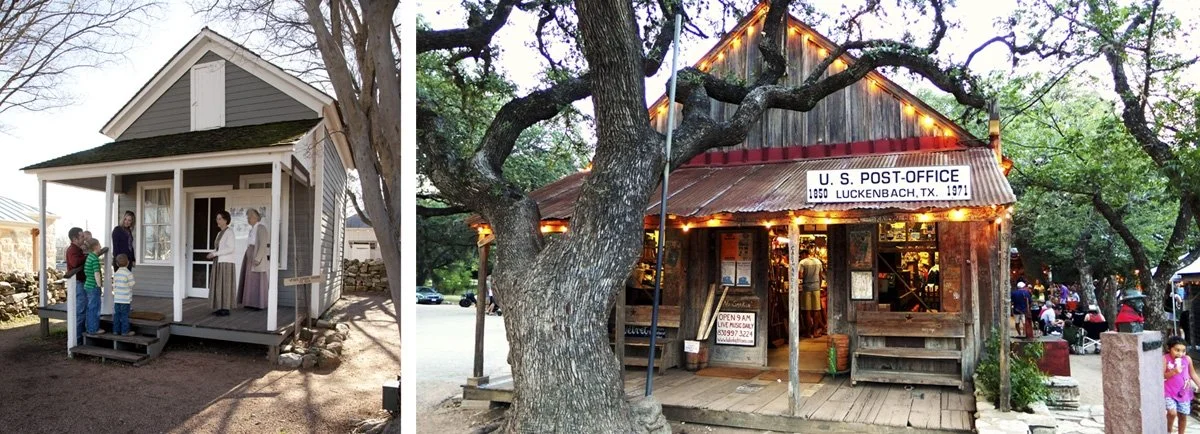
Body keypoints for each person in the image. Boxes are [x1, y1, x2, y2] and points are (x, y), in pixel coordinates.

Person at [1165, 336, 1200, 434]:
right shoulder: (1165, 359)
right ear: (1169, 349)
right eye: (1177, 350)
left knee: (1183, 415)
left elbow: (1192, 374)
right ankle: (1168, 430)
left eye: (1183, 350)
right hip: (1169, 391)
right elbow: (1162, 375)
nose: (1180, 354)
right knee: (1172, 413)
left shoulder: (1187, 359)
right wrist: (1174, 372)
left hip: (1184, 392)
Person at [206, 211, 237, 316]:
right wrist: (212, 253)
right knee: (219, 285)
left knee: (225, 285)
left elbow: (231, 248)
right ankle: (220, 307)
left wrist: (216, 253)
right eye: (217, 218)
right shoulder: (220, 233)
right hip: (219, 261)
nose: (217, 220)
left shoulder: (229, 232)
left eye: (219, 218)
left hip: (226, 262)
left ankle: (226, 309)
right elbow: (218, 248)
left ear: (225, 220)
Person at [239, 209, 269, 311]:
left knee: (257, 279)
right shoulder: (252, 229)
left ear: (256, 218)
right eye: (248, 217)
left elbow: (263, 245)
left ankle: (258, 304)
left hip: (256, 256)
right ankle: (249, 302)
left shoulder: (261, 228)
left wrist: (258, 258)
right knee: (250, 279)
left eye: (250, 217)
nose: (248, 219)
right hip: (250, 255)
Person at [64, 227, 87, 344]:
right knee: (81, 311)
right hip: (78, 283)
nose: (84, 238)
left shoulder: (78, 249)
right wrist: (87, 256)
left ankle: (82, 337)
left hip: (82, 282)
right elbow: (75, 263)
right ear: (75, 238)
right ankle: (77, 340)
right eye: (81, 236)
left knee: (84, 309)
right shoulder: (72, 250)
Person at [798, 249, 825, 337]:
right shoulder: (818, 262)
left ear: (805, 254)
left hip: (806, 288)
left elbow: (800, 276)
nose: (801, 257)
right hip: (816, 287)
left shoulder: (802, 262)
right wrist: (819, 286)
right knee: (816, 310)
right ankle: (815, 332)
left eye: (801, 255)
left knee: (807, 311)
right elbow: (820, 276)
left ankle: (808, 332)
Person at [82, 238, 105, 335]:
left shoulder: (89, 257)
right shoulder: (95, 259)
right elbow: (97, 274)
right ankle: (94, 329)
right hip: (93, 286)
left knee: (90, 307)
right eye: (99, 245)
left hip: (87, 285)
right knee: (95, 308)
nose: (100, 247)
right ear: (95, 246)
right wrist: (99, 285)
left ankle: (89, 327)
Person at [111, 254, 136, 336]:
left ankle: (115, 330)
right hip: (125, 300)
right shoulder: (128, 273)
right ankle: (125, 332)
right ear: (128, 263)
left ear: (117, 264)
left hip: (117, 299)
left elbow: (114, 285)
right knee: (125, 315)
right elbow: (132, 284)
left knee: (117, 315)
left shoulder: (116, 273)